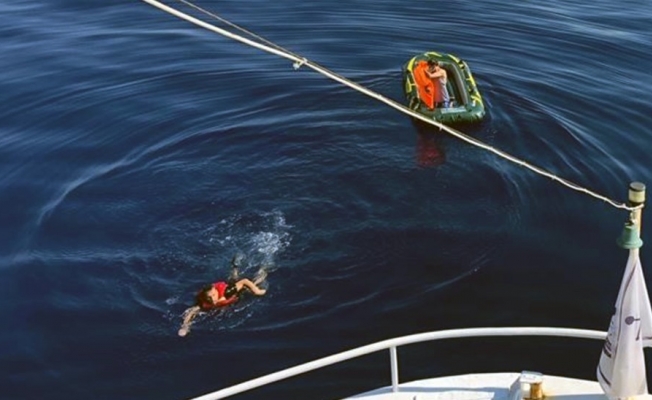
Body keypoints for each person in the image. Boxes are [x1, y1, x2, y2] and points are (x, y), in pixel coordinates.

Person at [178, 258, 267, 337]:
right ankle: (235, 266)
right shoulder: (203, 301)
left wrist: (257, 291)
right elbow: (191, 311)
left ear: (215, 291)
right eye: (209, 298)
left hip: (231, 291)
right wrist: (185, 326)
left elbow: (244, 281)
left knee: (252, 283)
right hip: (224, 288)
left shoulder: (227, 292)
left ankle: (263, 269)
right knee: (233, 279)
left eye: (213, 296)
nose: (213, 300)